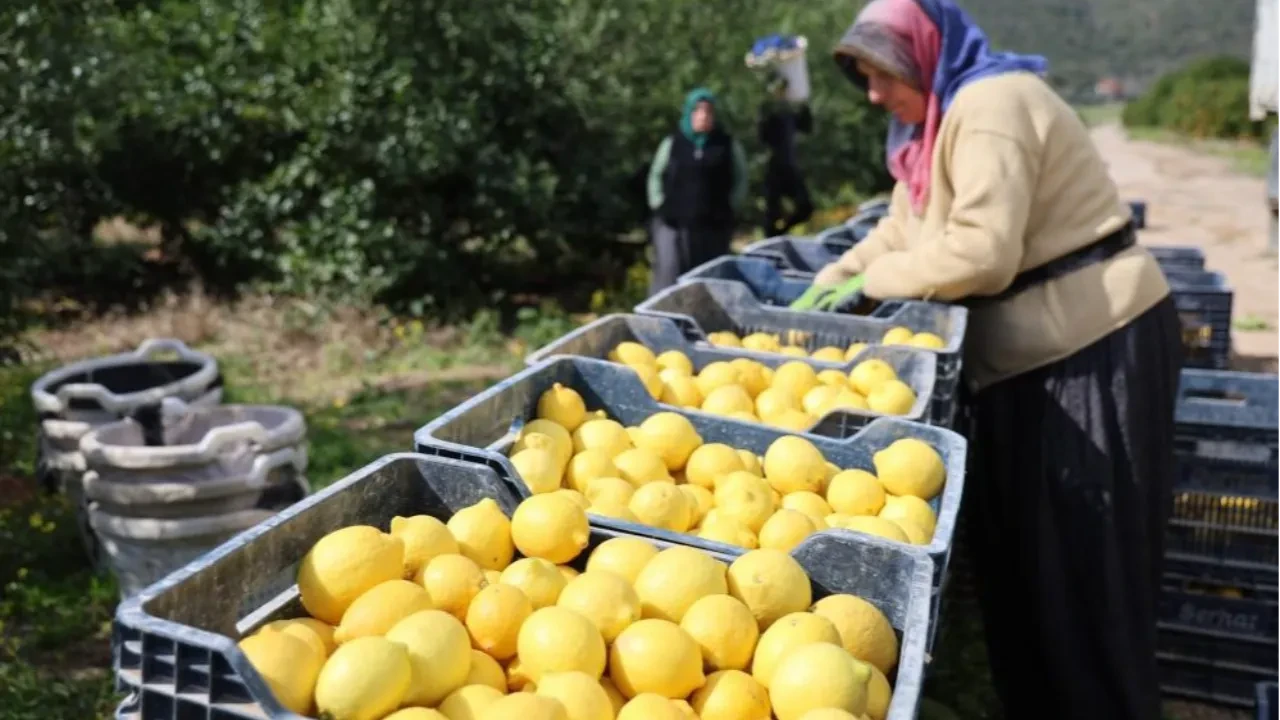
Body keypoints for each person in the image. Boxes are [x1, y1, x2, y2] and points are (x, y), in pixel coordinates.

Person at [794, 1, 1182, 719]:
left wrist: (872, 287)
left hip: (1089, 347)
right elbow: (901, 229)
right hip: (1030, 360)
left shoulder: (991, 105)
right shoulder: (932, 125)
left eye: (880, 73)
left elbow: (983, 251)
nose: (873, 94)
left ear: (922, 53)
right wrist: (828, 282)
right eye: (863, 78)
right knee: (1034, 576)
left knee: (1085, 573)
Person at [646, 88, 749, 295]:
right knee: (668, 275)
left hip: (713, 226)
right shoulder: (673, 143)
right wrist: (658, 202)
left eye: (708, 111)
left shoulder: (726, 144)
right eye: (698, 111)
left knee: (707, 279)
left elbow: (741, 177)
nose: (703, 116)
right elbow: (656, 174)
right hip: (673, 224)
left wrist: (732, 204)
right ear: (689, 113)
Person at [758, 75, 815, 237]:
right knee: (771, 214)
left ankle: (782, 231)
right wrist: (766, 110)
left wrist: (804, 103)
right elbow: (762, 136)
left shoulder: (789, 113)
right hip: (774, 168)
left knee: (805, 207)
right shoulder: (769, 112)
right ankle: (771, 239)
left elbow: (807, 127)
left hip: (790, 166)